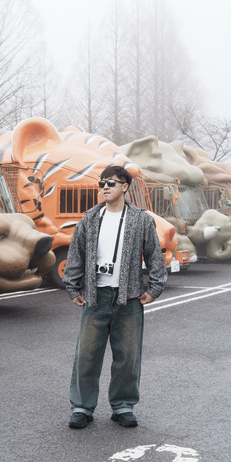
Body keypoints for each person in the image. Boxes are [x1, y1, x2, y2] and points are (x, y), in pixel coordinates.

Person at [62, 165, 167, 429]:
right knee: (86, 356)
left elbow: (155, 255)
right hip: (96, 297)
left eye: (110, 182)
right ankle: (82, 407)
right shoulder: (89, 219)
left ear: (124, 187)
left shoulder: (141, 219)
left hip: (129, 298)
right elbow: (76, 255)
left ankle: (122, 406)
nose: (105, 187)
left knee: (127, 357)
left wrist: (154, 289)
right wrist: (73, 288)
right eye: (102, 183)